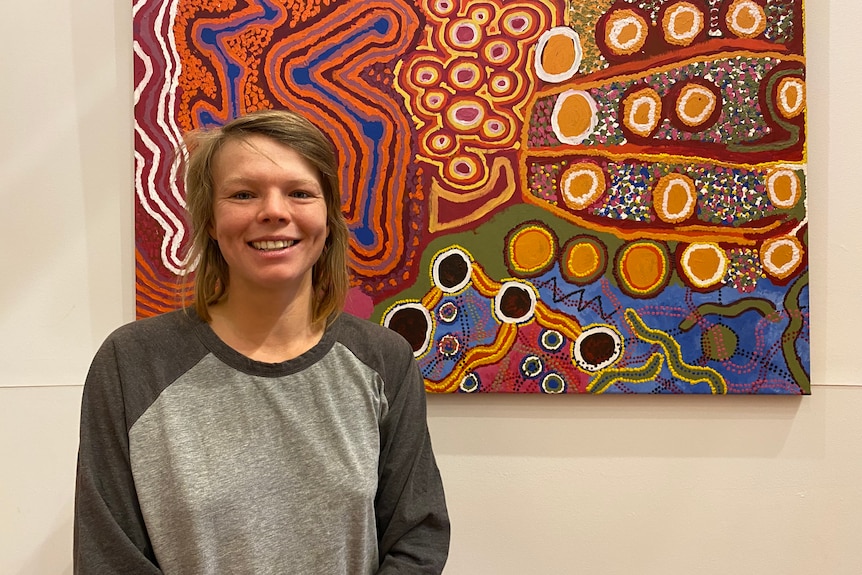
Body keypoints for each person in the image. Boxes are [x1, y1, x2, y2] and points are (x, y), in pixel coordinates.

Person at [73, 109, 450, 574]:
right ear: (210, 220)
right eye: (243, 194)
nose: (273, 211)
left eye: (299, 192)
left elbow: (417, 537)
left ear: (328, 219)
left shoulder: (384, 360)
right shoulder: (131, 362)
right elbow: (107, 557)